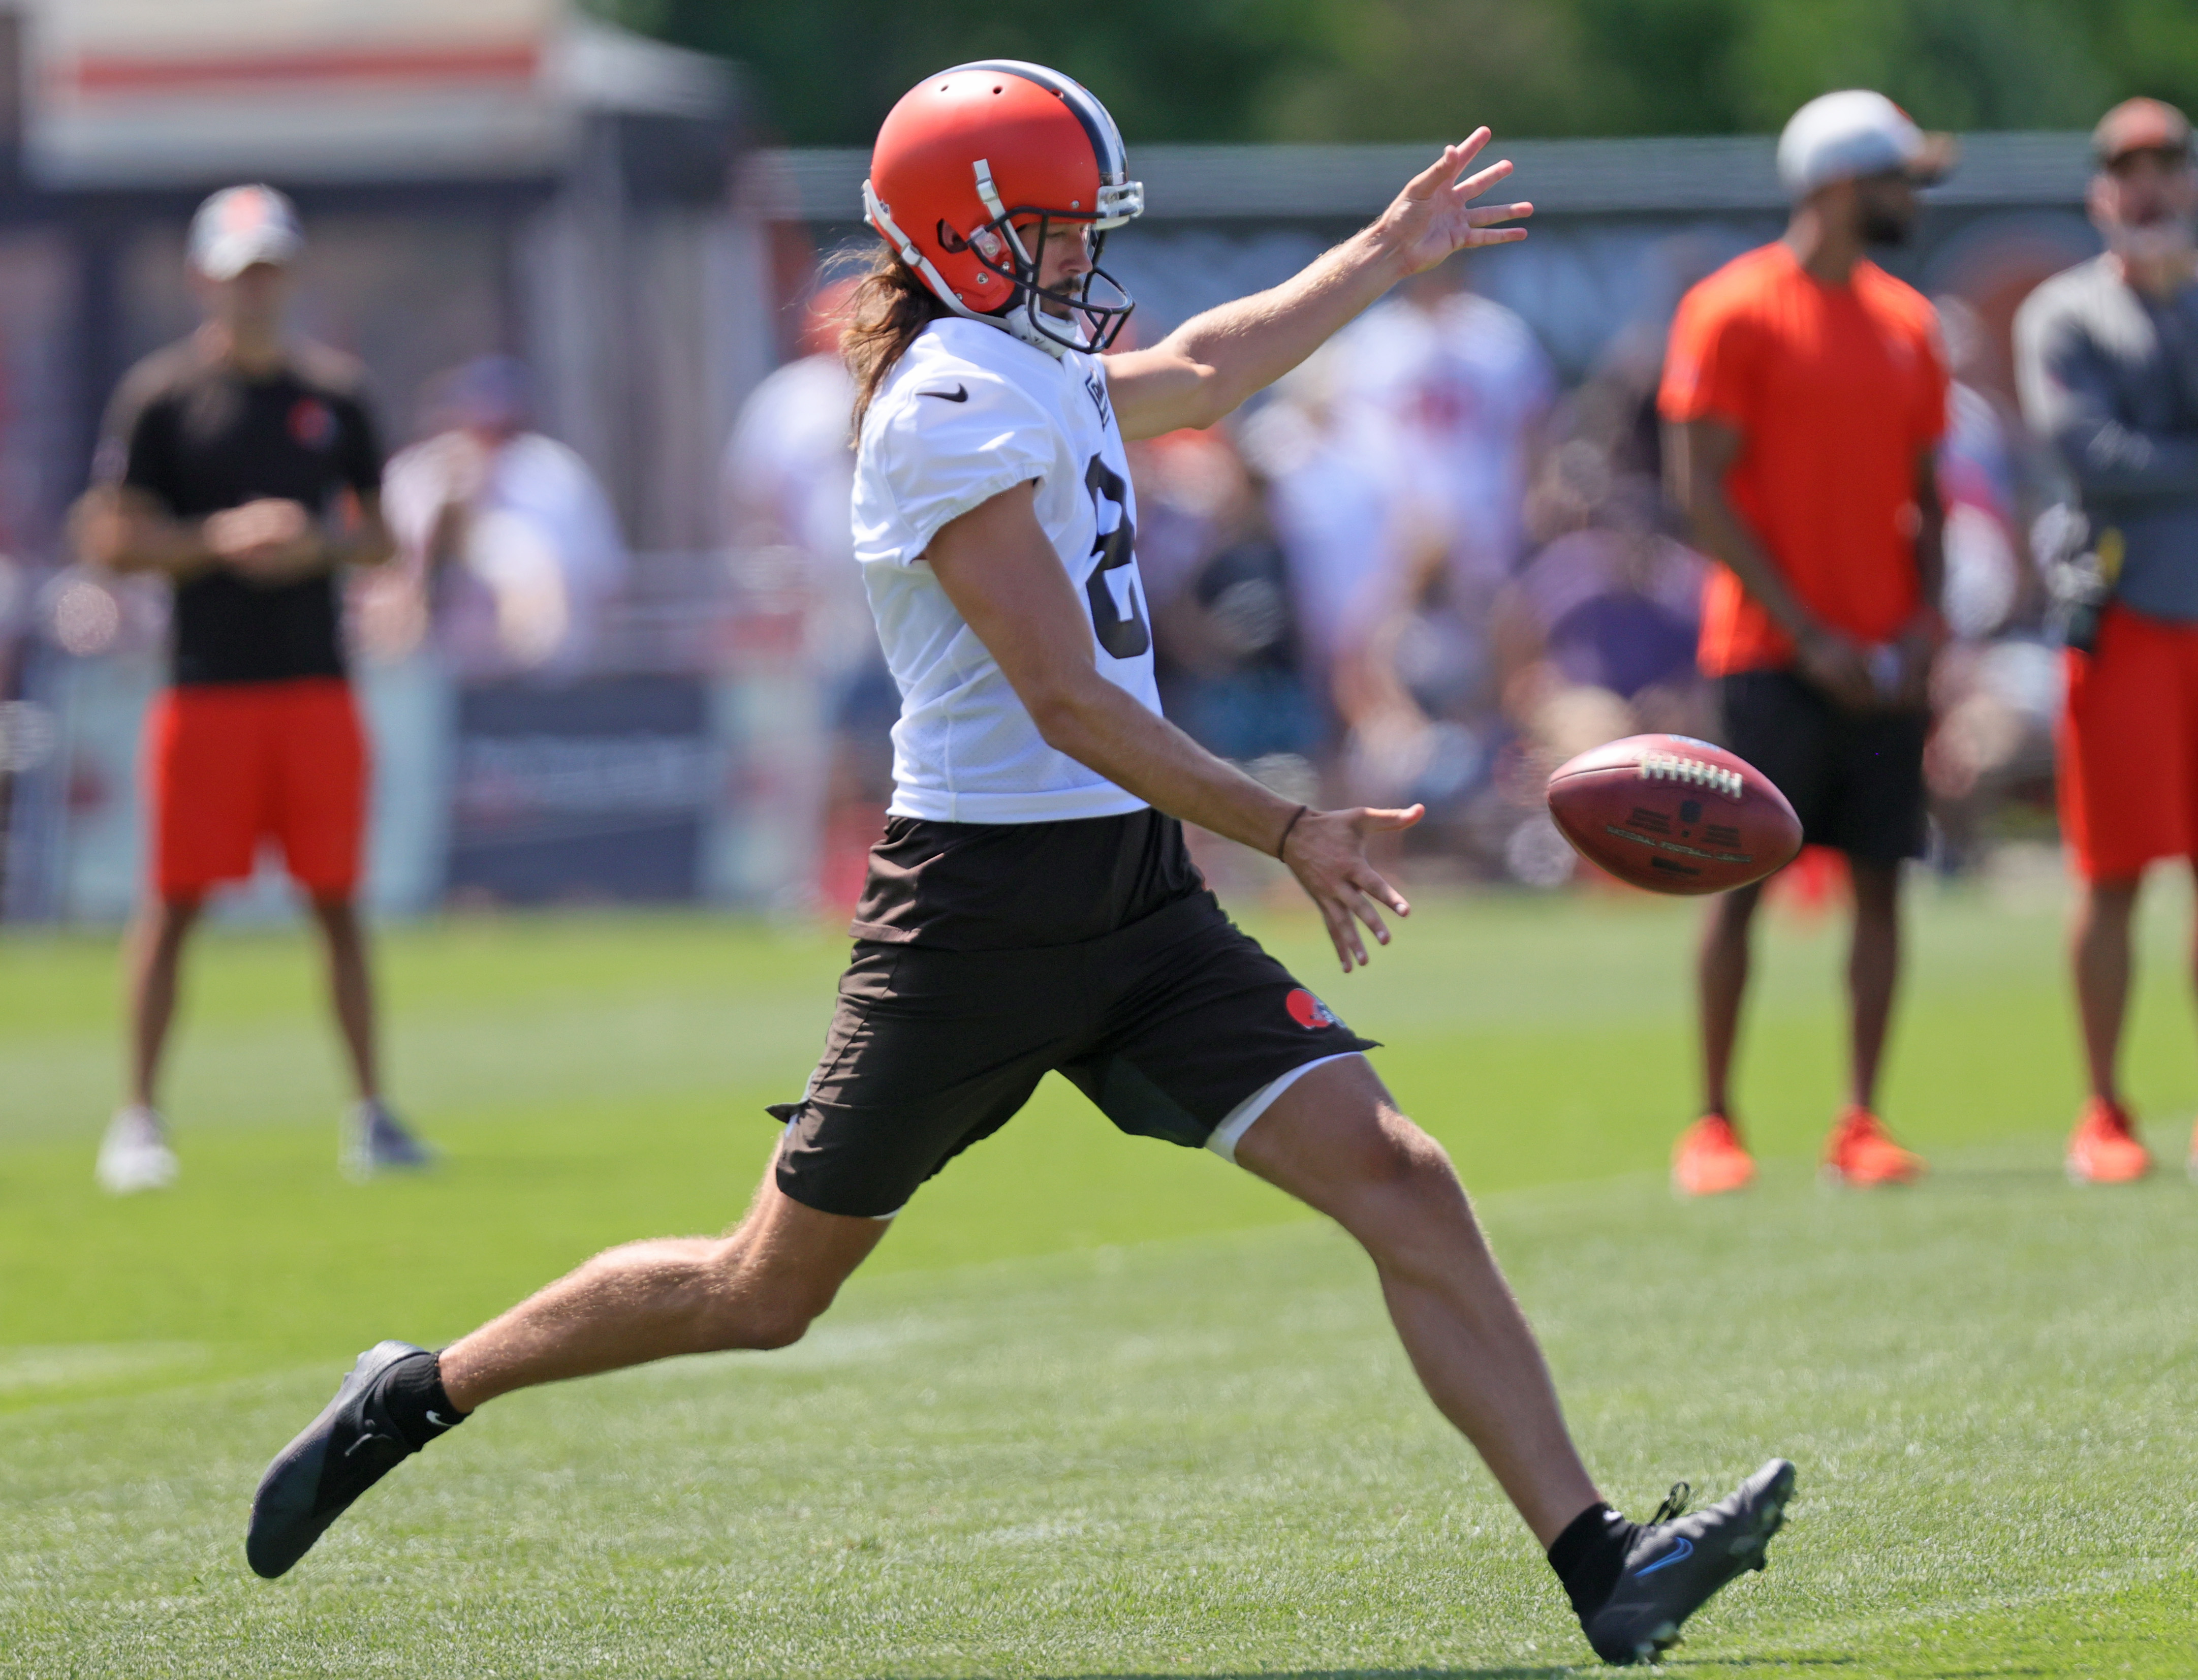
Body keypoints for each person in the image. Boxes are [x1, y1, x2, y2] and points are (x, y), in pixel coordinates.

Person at [244, 65, 1792, 1666]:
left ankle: (1601, 1565)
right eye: (1053, 230)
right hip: (975, 913)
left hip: (1127, 895)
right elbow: (1058, 695)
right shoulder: (944, 402)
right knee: (763, 1288)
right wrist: (1286, 828)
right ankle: (418, 1388)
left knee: (1399, 1175)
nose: (1079, 258)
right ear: (965, 235)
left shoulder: (1028, 360)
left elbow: (1198, 366)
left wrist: (1382, 253)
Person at [73, 184, 431, 1191]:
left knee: (337, 901)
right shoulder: (165, 399)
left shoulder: (337, 396)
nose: (255, 291)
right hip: (207, 687)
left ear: (291, 276)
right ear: (206, 282)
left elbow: (378, 537)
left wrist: (309, 541)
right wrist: (218, 541)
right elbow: (109, 534)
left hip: (314, 684)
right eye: (239, 274)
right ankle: (138, 1118)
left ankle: (373, 1114)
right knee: (175, 903)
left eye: (269, 270)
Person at [1658, 91, 1954, 1197]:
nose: (1907, 200)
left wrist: (1925, 624)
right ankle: (1713, 1124)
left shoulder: (1911, 325)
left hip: (1884, 658)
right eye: (1893, 179)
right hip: (1769, 655)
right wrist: (1809, 630)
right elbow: (1703, 493)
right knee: (1735, 883)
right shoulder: (1734, 310)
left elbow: (1932, 501)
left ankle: (1862, 1120)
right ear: (1837, 183)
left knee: (1881, 883)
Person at [2015, 98, 2198, 1185]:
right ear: (2099, 191)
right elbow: (2087, 451)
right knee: (2115, 871)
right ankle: (2106, 1106)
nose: (2150, 187)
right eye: (2129, 170)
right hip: (2123, 620)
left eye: (2167, 165)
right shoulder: (2066, 312)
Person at [380, 356, 630, 676]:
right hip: (436, 682)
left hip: (550, 680)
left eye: (505, 425)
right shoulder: (416, 478)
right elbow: (383, 586)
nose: (490, 435)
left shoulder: (559, 475)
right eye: (481, 420)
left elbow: (606, 581)